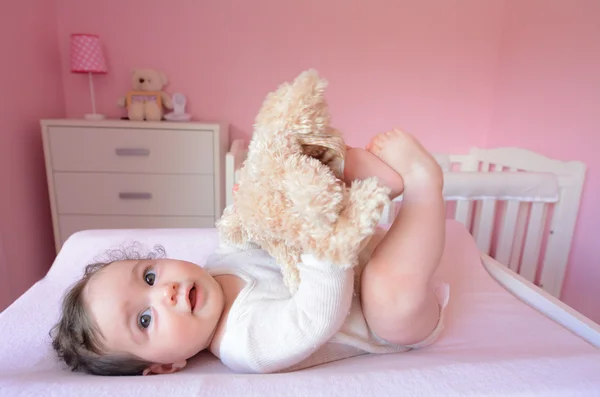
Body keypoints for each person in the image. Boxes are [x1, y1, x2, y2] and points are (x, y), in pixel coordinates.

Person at [50, 128, 449, 376]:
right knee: (386, 293)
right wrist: (320, 236)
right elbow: (316, 316)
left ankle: (372, 177)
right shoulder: (245, 345)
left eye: (150, 276)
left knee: (293, 160)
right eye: (143, 319)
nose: (164, 293)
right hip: (394, 319)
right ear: (164, 366)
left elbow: (243, 233)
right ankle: (422, 185)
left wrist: (256, 199)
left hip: (363, 254)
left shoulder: (217, 266)